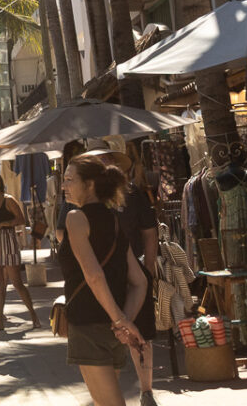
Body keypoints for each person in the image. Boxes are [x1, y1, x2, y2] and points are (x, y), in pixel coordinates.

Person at [58, 156, 147, 406]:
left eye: (69, 180)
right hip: (112, 330)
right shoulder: (114, 220)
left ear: (90, 185)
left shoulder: (75, 218)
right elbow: (140, 281)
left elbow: (93, 275)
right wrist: (122, 321)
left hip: (89, 325)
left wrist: (120, 320)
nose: (63, 186)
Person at [101, 150, 160, 406]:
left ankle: (146, 391)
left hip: (134, 270)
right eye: (102, 164)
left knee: (141, 333)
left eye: (110, 163)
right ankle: (106, 395)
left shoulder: (134, 195)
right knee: (106, 334)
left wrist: (148, 267)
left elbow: (149, 231)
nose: (107, 168)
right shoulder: (89, 197)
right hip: (102, 273)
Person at [0, 173, 40, 333]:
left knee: (17, 282)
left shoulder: (8, 200)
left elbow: (21, 220)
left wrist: (4, 223)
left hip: (8, 240)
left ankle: (34, 316)